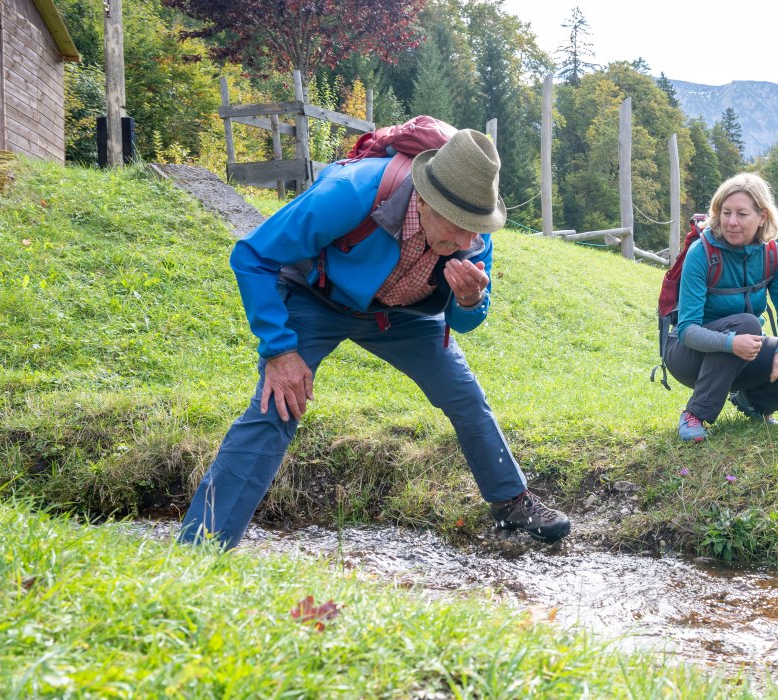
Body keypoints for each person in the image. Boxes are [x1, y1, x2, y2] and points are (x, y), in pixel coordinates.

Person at [179, 129, 570, 549]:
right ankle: (203, 546)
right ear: (426, 199)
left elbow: (466, 320)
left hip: (400, 316)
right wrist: (280, 348)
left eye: (476, 230)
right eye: (459, 228)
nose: (467, 243)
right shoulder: (351, 191)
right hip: (318, 299)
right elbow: (253, 255)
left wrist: (471, 300)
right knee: (278, 406)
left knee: (464, 394)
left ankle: (512, 502)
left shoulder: (473, 232)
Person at [664, 173, 778, 442]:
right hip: (688, 355)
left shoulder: (773, 254)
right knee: (747, 323)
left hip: (743, 352)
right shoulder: (702, 253)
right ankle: (695, 414)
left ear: (762, 216)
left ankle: (753, 404)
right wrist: (731, 343)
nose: (731, 222)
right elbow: (687, 330)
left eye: (742, 214)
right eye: (725, 212)